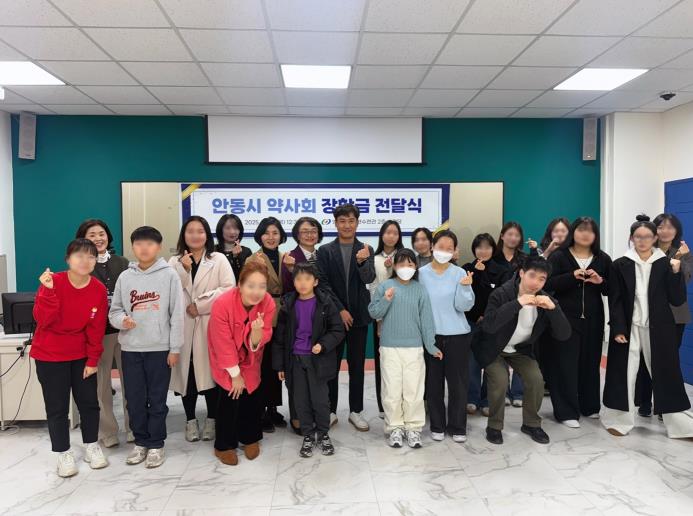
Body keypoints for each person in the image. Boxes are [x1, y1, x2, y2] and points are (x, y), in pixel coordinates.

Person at [601, 215, 693, 439]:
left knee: (667, 373)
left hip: (660, 328)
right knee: (624, 373)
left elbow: (678, 299)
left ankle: (680, 425)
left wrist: (675, 272)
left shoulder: (666, 264)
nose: (642, 241)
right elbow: (615, 300)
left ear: (654, 238)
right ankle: (618, 420)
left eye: (647, 237)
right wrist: (618, 328)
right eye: (638, 237)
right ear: (632, 238)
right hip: (629, 328)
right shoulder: (620, 264)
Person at [31, 239, 108, 477]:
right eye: (79, 256)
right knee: (57, 407)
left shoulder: (98, 289)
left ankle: (91, 445)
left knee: (89, 403)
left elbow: (96, 328)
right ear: (68, 259)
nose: (85, 261)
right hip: (50, 354)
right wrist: (48, 291)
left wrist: (93, 360)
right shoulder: (53, 281)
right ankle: (63, 453)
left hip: (80, 354)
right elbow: (43, 320)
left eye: (91, 256)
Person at [109, 226, 185, 469]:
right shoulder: (125, 277)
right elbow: (115, 310)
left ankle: (156, 444)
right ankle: (140, 442)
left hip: (160, 349)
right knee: (134, 399)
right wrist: (122, 321)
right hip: (131, 349)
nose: (144, 248)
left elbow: (177, 314)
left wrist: (175, 348)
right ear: (133, 247)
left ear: (158, 247)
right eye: (139, 244)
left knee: (157, 400)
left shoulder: (169, 275)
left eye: (150, 244)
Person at [476, 257, 571, 445]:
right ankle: (494, 426)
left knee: (535, 379)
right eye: (532, 276)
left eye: (542, 279)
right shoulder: (501, 293)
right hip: (494, 348)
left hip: (521, 350)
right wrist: (517, 303)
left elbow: (564, 334)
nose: (536, 282)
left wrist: (554, 309)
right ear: (521, 273)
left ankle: (531, 424)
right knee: (500, 380)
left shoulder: (545, 299)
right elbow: (488, 325)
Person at [169, 216, 235, 442]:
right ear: (184, 235)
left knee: (210, 374)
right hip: (184, 326)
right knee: (187, 376)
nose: (195, 235)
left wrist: (201, 305)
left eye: (200, 231)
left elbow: (229, 289)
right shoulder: (174, 261)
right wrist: (183, 270)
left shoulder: (218, 259)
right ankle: (190, 420)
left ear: (207, 234)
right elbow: (170, 291)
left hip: (209, 324)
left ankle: (211, 419)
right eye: (190, 231)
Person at [369, 249, 442, 449]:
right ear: (394, 266)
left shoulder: (420, 289)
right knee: (391, 390)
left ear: (415, 267)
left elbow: (426, 319)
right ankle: (394, 427)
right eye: (401, 264)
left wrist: (430, 345)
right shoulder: (385, 286)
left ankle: (413, 428)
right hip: (389, 347)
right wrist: (386, 299)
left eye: (410, 264)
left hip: (414, 347)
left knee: (414, 390)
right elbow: (373, 312)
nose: (406, 268)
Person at [207, 260, 276, 465]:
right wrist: (235, 375)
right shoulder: (222, 303)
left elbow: (263, 337)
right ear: (240, 284)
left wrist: (256, 333)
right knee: (230, 396)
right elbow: (222, 343)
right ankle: (224, 445)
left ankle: (250, 438)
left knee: (251, 397)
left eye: (262, 286)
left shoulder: (268, 302)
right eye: (251, 286)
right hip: (226, 360)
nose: (256, 292)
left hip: (251, 359)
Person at [274, 262, 345, 458]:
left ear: (315, 282)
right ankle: (307, 435)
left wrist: (323, 344)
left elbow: (337, 330)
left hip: (318, 361)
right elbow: (280, 338)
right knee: (300, 400)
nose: (302, 283)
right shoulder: (288, 305)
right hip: (295, 360)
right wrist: (280, 365)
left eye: (307, 279)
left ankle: (323, 434)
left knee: (320, 400)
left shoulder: (325, 302)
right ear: (293, 282)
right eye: (298, 279)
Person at [545, 217, 611, 427]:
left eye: (590, 231)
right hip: (565, 318)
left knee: (591, 363)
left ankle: (589, 406)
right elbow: (547, 284)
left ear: (595, 235)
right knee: (565, 364)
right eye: (581, 229)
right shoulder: (559, 256)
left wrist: (600, 281)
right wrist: (571, 276)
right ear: (573, 232)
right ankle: (566, 412)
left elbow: (611, 289)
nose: (585, 234)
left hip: (594, 319)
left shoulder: (603, 258)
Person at [315, 203, 376, 431]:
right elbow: (322, 284)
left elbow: (369, 278)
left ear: (357, 223)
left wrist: (362, 262)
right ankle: (330, 410)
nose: (347, 225)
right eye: (342, 221)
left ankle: (355, 411)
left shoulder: (366, 249)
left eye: (351, 221)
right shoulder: (325, 251)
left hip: (359, 318)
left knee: (357, 366)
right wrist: (339, 310)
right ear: (336, 223)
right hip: (333, 319)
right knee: (331, 366)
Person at [76, 219, 131, 448]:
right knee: (101, 385)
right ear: (83, 239)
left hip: (125, 331)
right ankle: (108, 431)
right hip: (98, 334)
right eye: (92, 235)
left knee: (132, 382)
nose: (98, 238)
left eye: (101, 234)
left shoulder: (123, 262)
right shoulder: (81, 266)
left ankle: (134, 427)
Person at [418, 230, 475, 443]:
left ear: (455, 251)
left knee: (458, 385)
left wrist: (465, 287)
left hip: (458, 336)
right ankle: (437, 425)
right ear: (432, 246)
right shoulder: (420, 274)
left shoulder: (460, 273)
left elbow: (464, 306)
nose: (444, 251)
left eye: (449, 248)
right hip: (431, 336)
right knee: (433, 385)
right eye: (441, 246)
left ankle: (458, 427)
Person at [635, 213, 692, 417]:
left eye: (670, 227)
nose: (665, 231)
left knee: (668, 361)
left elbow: (684, 278)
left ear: (676, 231)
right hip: (647, 313)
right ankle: (644, 402)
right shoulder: (647, 250)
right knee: (645, 359)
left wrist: (679, 258)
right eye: (660, 227)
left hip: (675, 315)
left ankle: (665, 406)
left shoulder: (683, 252)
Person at [246, 217, 289, 433]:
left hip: (284, 315)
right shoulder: (253, 259)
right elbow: (248, 288)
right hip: (262, 313)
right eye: (266, 233)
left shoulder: (286, 257)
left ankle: (273, 408)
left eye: (275, 233)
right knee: (262, 364)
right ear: (259, 236)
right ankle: (260, 410)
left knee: (277, 364)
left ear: (281, 236)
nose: (271, 237)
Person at [462, 233, 505, 417]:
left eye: (487, 247)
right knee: (471, 362)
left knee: (490, 362)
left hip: (492, 323)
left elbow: (501, 297)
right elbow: (465, 295)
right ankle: (471, 399)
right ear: (474, 249)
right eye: (479, 247)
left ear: (493, 249)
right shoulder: (466, 268)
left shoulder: (501, 271)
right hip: (470, 321)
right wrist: (477, 272)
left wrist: (486, 316)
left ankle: (487, 400)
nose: (483, 251)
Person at [368, 220, 404, 418]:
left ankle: (404, 403)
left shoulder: (405, 257)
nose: (391, 236)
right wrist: (379, 316)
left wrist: (393, 269)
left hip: (403, 316)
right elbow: (374, 288)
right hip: (382, 317)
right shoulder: (374, 259)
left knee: (403, 363)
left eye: (395, 233)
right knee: (383, 363)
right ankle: (384, 406)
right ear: (382, 235)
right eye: (387, 232)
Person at [493, 221, 528, 407]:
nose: (513, 238)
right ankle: (504, 391)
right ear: (502, 236)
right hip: (500, 310)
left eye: (517, 235)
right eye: (510, 234)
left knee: (520, 349)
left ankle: (518, 392)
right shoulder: (494, 257)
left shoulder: (524, 258)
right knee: (500, 351)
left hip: (522, 308)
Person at [281, 216, 323, 293]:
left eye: (313, 231)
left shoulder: (323, 255)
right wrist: (291, 270)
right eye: (304, 232)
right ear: (297, 235)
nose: (309, 235)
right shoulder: (289, 257)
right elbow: (287, 288)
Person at [216, 214, 253, 281]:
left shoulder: (246, 252)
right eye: (228, 228)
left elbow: (246, 277)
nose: (232, 232)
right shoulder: (213, 250)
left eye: (235, 228)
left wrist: (236, 258)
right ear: (220, 230)